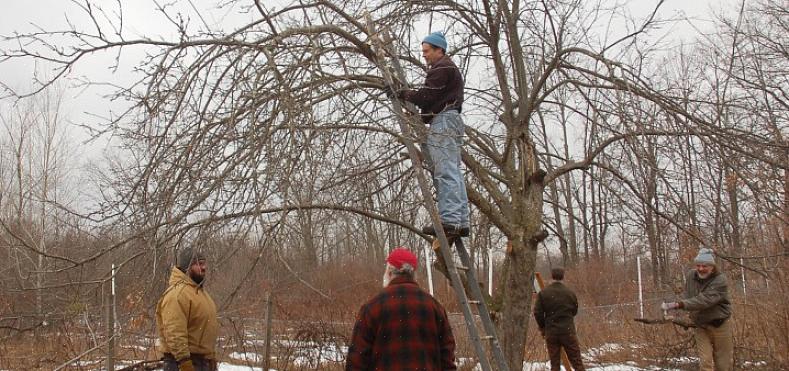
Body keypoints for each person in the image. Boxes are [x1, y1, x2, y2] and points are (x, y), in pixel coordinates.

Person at [397, 31, 470, 237]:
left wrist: (403, 93)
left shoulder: (441, 67)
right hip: (450, 119)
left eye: (427, 51)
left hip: (444, 121)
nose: (424, 56)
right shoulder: (447, 68)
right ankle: (461, 221)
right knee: (454, 172)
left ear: (440, 50)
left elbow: (426, 96)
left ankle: (450, 221)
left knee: (445, 171)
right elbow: (432, 98)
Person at [346, 247, 456, 371]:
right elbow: (447, 359)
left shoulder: (372, 307)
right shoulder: (434, 307)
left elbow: (356, 361)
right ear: (413, 274)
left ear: (389, 272)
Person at [662, 248, 733, 371]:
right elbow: (689, 297)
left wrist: (677, 305)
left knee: (723, 365)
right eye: (698, 265)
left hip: (720, 325)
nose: (700, 269)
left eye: (704, 266)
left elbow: (704, 300)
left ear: (712, 267)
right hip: (701, 326)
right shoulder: (691, 276)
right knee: (705, 363)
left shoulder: (720, 280)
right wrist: (678, 315)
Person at [156, 246, 219, 371]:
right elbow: (174, 332)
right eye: (198, 264)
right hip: (181, 363)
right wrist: (185, 363)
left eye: (204, 263)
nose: (203, 267)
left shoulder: (199, 293)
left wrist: (211, 359)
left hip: (201, 363)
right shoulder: (178, 294)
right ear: (187, 267)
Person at [533, 267, 586, 371]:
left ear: (552, 276)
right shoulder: (570, 293)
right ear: (563, 277)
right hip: (568, 331)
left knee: (555, 363)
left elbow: (537, 312)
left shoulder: (544, 293)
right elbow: (574, 311)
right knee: (577, 361)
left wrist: (543, 327)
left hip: (551, 332)